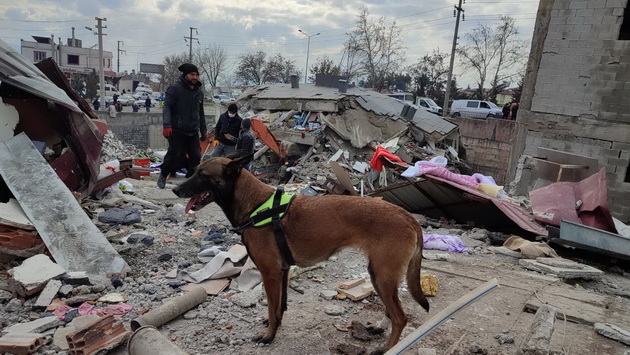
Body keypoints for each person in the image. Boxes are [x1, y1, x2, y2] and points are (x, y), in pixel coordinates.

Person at [158, 63, 207, 189]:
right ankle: (163, 174)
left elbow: (200, 112)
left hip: (193, 130)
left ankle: (190, 177)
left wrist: (203, 129)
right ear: (185, 75)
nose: (195, 77)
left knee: (196, 155)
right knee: (175, 155)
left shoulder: (199, 92)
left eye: (196, 75)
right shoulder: (175, 89)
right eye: (192, 74)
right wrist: (166, 125)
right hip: (177, 130)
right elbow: (167, 107)